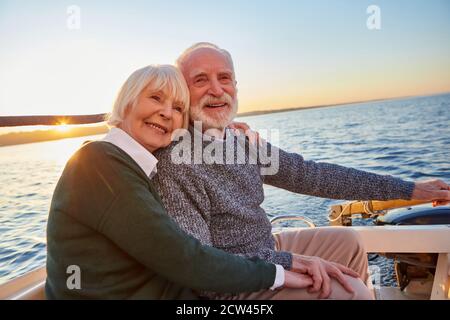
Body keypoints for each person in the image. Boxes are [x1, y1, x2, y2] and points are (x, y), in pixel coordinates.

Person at [152, 43, 450, 300]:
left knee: (347, 242)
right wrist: (287, 262)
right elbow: (205, 267)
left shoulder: (239, 140)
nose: (216, 89)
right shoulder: (176, 163)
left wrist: (410, 189)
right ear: (182, 91)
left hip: (265, 248)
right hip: (237, 282)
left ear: (236, 86)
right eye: (200, 79)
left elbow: (312, 175)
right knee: (352, 291)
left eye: (225, 78)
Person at [45, 64, 315, 299]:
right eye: (155, 98)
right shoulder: (97, 163)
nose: (166, 113)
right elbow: (182, 257)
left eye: (178, 108)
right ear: (126, 102)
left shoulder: (134, 164)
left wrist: (224, 125)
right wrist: (275, 274)